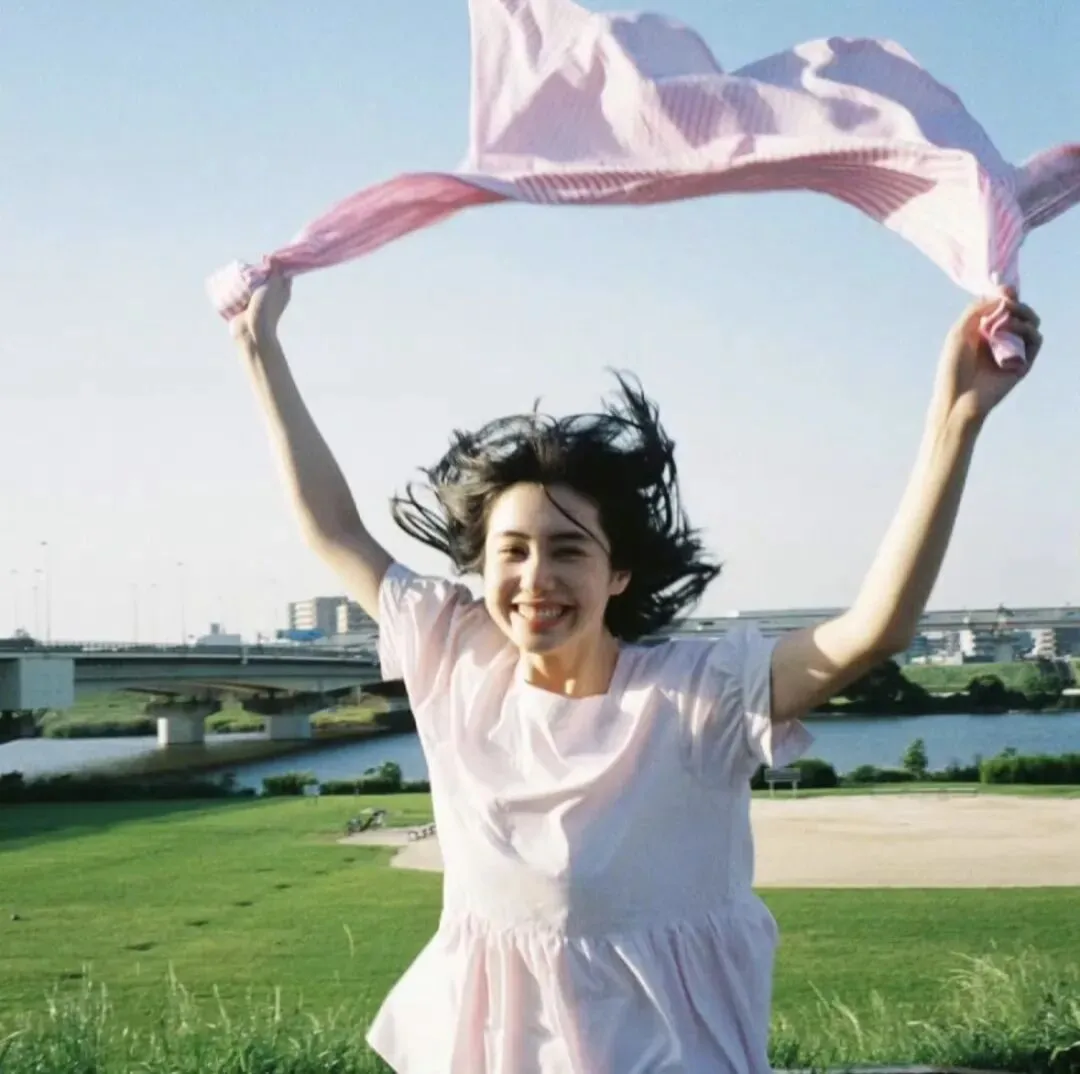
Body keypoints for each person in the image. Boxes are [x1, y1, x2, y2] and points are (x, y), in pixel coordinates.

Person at [228, 276, 1042, 1074]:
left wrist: (956, 421)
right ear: (482, 567)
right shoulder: (451, 653)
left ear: (617, 572)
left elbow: (873, 631)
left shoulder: (696, 698)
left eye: (569, 550)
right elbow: (333, 526)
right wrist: (258, 344)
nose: (536, 578)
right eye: (513, 551)